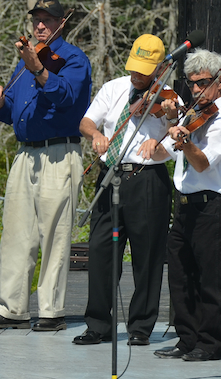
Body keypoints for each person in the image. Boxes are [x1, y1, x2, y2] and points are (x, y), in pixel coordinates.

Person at [0, 0, 92, 332]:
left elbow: (68, 97)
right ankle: (12, 308)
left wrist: (39, 69)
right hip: (25, 154)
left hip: (59, 153)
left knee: (55, 235)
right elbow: (12, 106)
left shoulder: (73, 59)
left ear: (62, 22)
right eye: (36, 19)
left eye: (47, 19)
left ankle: (51, 312)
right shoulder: (26, 59)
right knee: (16, 234)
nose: (39, 25)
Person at [75, 34, 176, 346]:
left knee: (147, 255)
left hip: (146, 177)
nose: (137, 75)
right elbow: (87, 122)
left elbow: (177, 130)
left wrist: (167, 122)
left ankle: (141, 327)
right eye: (135, 68)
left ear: (160, 70)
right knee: (101, 250)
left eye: (145, 71)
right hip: (110, 173)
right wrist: (95, 136)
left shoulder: (169, 96)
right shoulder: (114, 88)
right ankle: (98, 325)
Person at [149, 49, 221, 361]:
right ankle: (186, 338)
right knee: (180, 275)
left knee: (211, 278)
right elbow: (168, 153)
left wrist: (185, 141)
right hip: (186, 204)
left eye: (202, 83)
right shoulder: (191, 115)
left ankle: (210, 343)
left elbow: (201, 163)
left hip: (212, 205)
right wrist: (168, 130)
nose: (196, 90)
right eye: (191, 84)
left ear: (220, 81)